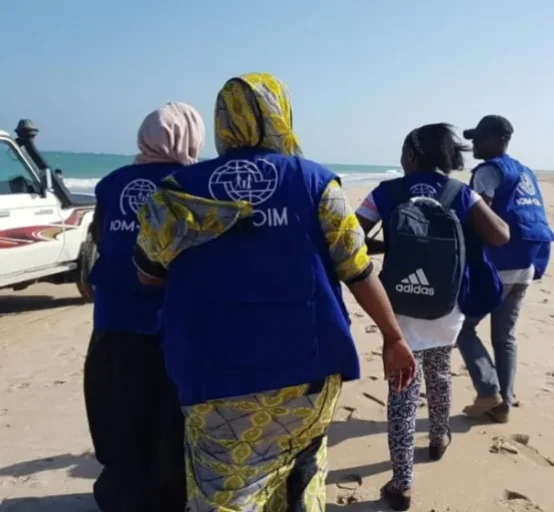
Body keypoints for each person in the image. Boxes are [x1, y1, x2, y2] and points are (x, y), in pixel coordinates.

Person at [133, 72, 416, 512]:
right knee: (300, 477)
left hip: (214, 376)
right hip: (307, 374)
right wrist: (393, 337)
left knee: (223, 495)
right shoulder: (317, 184)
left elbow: (148, 273)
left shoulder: (173, 195)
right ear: (279, 116)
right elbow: (358, 271)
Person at [356, 123, 509, 510]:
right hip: (448, 306)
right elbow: (501, 236)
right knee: (440, 371)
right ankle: (438, 439)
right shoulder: (461, 192)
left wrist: (388, 245)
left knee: (403, 389)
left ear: (411, 155)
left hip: (400, 307)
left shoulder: (386, 192)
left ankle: (403, 482)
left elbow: (350, 238)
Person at [84, 102, 204, 511]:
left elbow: (100, 237)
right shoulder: (191, 183)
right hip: (169, 328)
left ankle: (119, 497)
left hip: (112, 323)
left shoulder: (112, 183)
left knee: (118, 420)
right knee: (169, 427)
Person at [457, 115, 554, 424]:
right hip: (526, 266)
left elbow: (479, 217)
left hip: (497, 267)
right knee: (505, 336)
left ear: (498, 140)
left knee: (461, 326)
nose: (474, 144)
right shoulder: (525, 172)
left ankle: (489, 390)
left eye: (480, 138)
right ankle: (504, 403)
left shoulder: (488, 171)